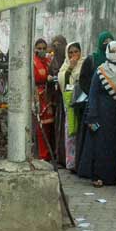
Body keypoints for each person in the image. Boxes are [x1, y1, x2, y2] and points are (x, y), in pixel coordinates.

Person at [78, 41, 116, 187]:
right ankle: (98, 176)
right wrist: (92, 115)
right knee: (100, 146)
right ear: (107, 52)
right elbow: (92, 94)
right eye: (113, 51)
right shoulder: (101, 71)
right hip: (102, 113)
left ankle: (113, 177)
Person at [76, 31, 114, 173]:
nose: (107, 44)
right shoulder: (92, 59)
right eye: (105, 41)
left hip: (110, 108)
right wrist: (93, 93)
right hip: (94, 105)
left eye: (110, 41)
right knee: (93, 135)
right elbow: (83, 80)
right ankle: (90, 169)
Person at [57, 42, 83, 170]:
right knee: (71, 130)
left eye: (76, 52)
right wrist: (70, 69)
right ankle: (71, 162)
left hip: (82, 102)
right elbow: (63, 81)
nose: (74, 55)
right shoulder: (65, 67)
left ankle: (80, 161)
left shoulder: (85, 63)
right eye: (70, 52)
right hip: (70, 102)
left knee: (81, 131)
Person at [33, 38, 55, 161]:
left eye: (43, 48)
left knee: (50, 125)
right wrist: (46, 78)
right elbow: (34, 78)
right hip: (38, 96)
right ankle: (42, 155)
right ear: (35, 49)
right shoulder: (33, 62)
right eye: (39, 48)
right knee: (41, 126)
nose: (41, 50)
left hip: (49, 96)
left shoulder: (48, 61)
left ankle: (49, 153)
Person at [49, 34, 68, 167]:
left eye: (59, 44)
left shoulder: (69, 61)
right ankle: (59, 155)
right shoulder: (53, 62)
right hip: (58, 101)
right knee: (58, 129)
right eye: (54, 45)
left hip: (69, 99)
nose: (57, 47)